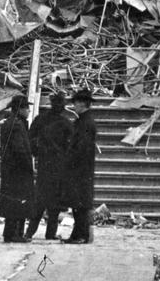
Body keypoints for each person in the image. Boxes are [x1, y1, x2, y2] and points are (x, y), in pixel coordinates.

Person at [25, 92, 73, 240]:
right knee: (54, 204)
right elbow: (71, 146)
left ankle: (30, 232)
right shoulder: (66, 123)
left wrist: (37, 152)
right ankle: (50, 234)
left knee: (40, 201)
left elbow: (30, 138)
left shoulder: (41, 119)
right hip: (58, 166)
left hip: (45, 165)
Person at [61, 88, 97, 244]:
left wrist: (70, 163)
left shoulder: (85, 123)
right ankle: (79, 234)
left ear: (82, 103)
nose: (73, 106)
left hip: (80, 170)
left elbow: (81, 148)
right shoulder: (85, 121)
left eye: (75, 103)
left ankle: (81, 235)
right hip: (82, 169)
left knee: (80, 204)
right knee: (78, 204)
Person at [0, 94, 34, 243]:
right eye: (26, 108)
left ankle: (10, 233)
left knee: (12, 201)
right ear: (20, 109)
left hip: (9, 169)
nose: (29, 111)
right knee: (19, 202)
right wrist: (29, 168)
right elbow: (20, 150)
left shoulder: (9, 123)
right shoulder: (18, 125)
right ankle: (15, 234)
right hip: (18, 171)